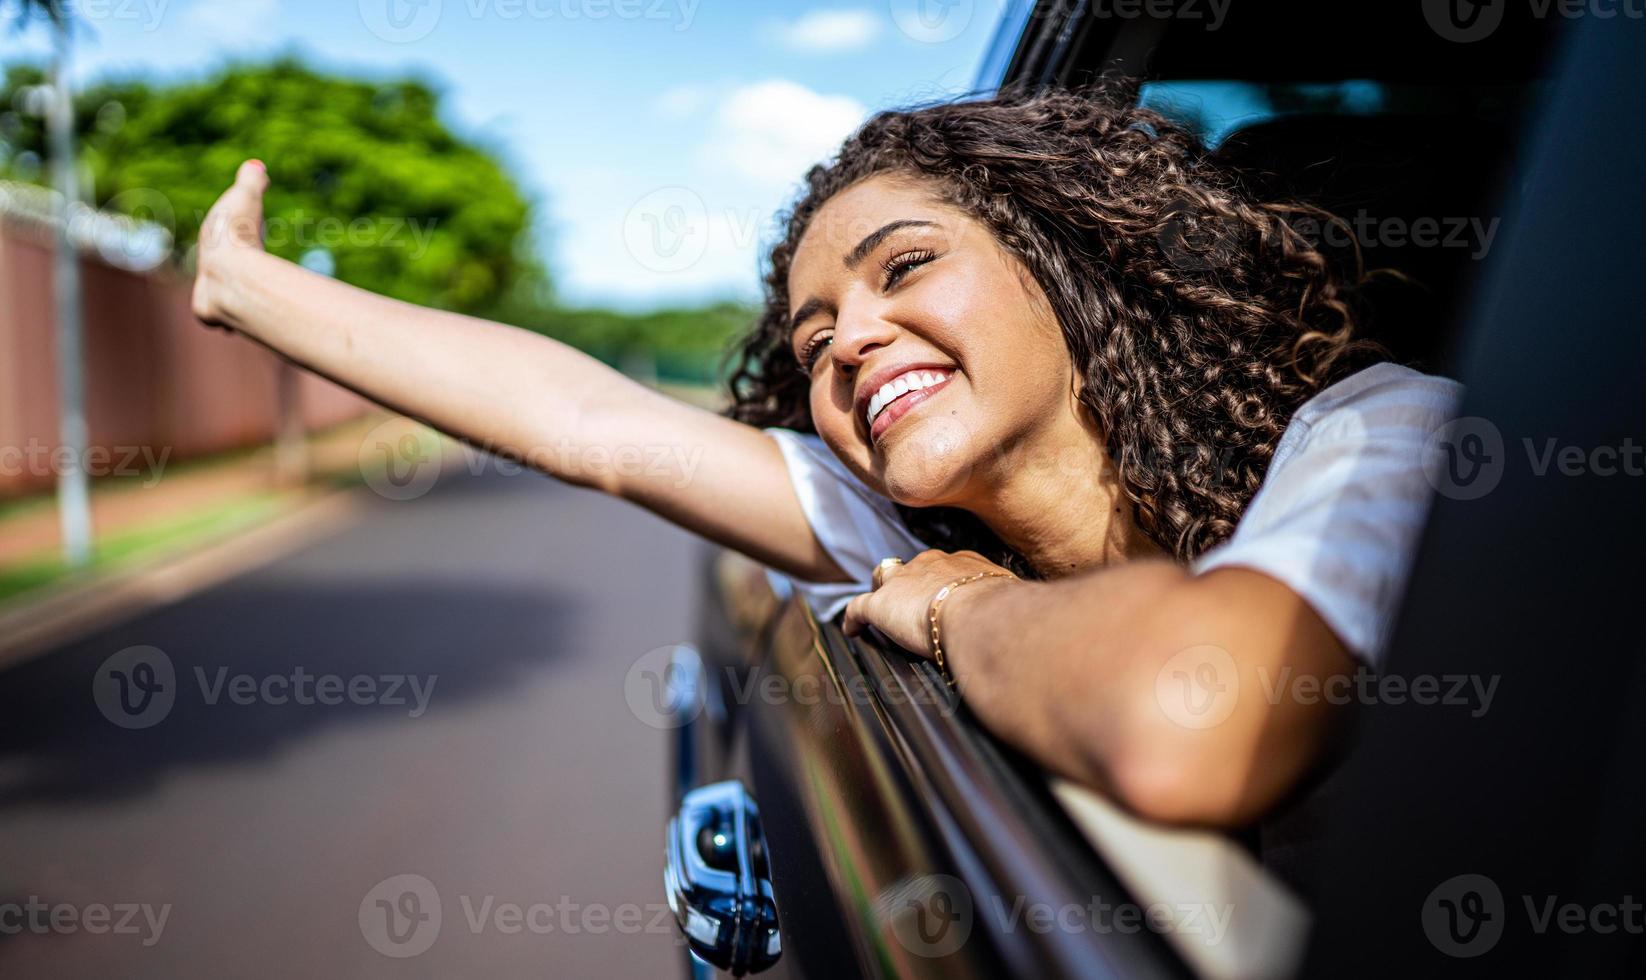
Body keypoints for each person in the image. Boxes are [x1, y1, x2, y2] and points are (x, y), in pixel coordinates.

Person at [191, 84, 1460, 829]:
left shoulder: (1381, 435)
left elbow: (1193, 711)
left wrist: (965, 607)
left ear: (1074, 272)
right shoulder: (901, 529)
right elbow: (591, 427)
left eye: (904, 267)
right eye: (811, 338)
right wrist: (247, 291)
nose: (849, 338)